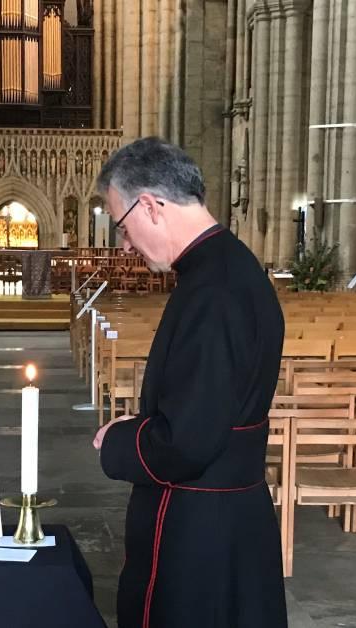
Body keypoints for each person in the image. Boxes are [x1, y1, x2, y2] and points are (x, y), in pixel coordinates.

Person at [92, 137, 287, 628]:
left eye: (123, 226)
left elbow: (188, 442)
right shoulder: (227, 268)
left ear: (151, 206)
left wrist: (118, 441)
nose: (126, 245)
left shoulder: (213, 291)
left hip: (200, 524)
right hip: (227, 514)